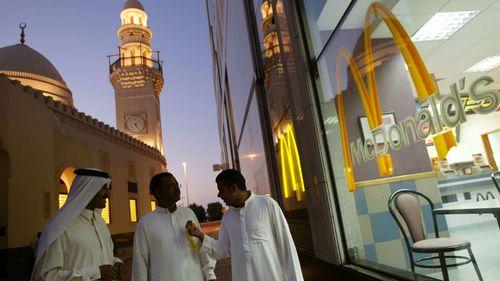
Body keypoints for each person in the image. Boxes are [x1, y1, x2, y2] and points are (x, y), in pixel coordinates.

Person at [187, 169, 304, 281]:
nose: (218, 195)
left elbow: (286, 246)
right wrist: (201, 236)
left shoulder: (267, 205)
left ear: (233, 188)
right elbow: (223, 250)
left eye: (221, 190)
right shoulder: (228, 217)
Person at [31, 168, 122, 281]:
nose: (108, 194)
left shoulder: (101, 223)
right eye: (103, 188)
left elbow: (105, 257)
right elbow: (46, 277)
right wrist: (95, 273)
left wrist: (116, 264)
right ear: (88, 190)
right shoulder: (59, 227)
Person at [132, 172, 216, 281]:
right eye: (170, 186)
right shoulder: (145, 223)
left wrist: (210, 275)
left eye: (177, 184)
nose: (177, 189)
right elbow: (140, 263)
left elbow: (201, 246)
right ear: (158, 192)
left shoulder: (188, 214)